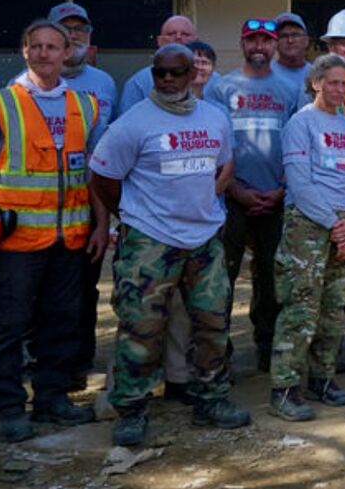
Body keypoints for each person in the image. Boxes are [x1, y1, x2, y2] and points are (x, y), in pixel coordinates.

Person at [0, 18, 108, 443]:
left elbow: (96, 173)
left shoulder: (86, 106)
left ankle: (52, 397)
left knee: (62, 322)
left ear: (67, 53)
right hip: (16, 242)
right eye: (37, 46)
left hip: (71, 238)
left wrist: (103, 223)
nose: (45, 53)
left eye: (53, 47)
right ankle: (8, 406)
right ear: (24, 51)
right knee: (9, 324)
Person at [88, 45, 252, 445]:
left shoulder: (215, 118)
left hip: (204, 240)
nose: (167, 80)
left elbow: (221, 165)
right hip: (151, 242)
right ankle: (131, 408)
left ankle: (210, 398)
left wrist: (203, 205)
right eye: (160, 73)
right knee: (141, 327)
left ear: (192, 74)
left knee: (213, 322)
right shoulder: (133, 124)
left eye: (176, 73)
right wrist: (131, 217)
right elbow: (102, 176)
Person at [267, 54, 345, 422]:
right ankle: (284, 389)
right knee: (300, 310)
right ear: (316, 83)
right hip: (309, 227)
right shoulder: (301, 124)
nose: (339, 90)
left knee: (333, 310)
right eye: (333, 82)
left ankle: (322, 378)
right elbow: (299, 181)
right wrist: (334, 224)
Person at [16, 3, 117, 377]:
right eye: (65, 28)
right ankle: (35, 358)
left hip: (85, 204)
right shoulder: (19, 86)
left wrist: (105, 216)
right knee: (36, 290)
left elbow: (103, 150)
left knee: (81, 289)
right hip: (33, 210)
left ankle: (78, 360)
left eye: (80, 29)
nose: (74, 35)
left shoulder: (104, 83)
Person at [205, 19, 305, 371]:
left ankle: (268, 348)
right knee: (222, 278)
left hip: (276, 197)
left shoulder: (290, 90)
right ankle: (219, 355)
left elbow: (297, 144)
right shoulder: (221, 89)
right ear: (242, 44)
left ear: (275, 44)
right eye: (253, 40)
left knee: (273, 278)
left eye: (266, 40)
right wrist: (234, 189)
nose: (259, 46)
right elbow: (213, 145)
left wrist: (281, 189)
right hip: (231, 199)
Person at [118, 14, 198, 117]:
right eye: (171, 33)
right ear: (159, 41)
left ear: (196, 41)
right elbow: (127, 123)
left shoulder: (212, 81)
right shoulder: (138, 83)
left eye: (185, 34)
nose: (178, 37)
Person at [269, 12, 312, 93]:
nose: (290, 40)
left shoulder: (317, 74)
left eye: (295, 35)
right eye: (283, 36)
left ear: (306, 40)